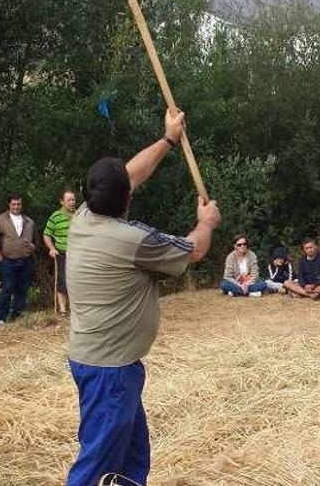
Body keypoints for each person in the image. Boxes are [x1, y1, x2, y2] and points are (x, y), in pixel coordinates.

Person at [65, 109, 221, 486]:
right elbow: (194, 251)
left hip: (109, 364)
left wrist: (168, 139)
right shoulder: (133, 241)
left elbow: (131, 174)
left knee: (132, 459)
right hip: (110, 372)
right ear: (127, 199)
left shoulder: (84, 217)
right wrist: (206, 223)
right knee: (97, 464)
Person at [0, 194, 36, 324]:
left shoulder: (29, 221)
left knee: (22, 289)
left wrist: (32, 248)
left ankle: (17, 316)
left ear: (21, 205)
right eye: (14, 204)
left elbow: (36, 241)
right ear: (9, 205)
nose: (16, 207)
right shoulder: (0, 220)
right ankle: (0, 318)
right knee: (7, 289)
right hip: (8, 261)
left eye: (19, 204)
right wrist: (0, 259)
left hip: (26, 261)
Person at [43, 190, 76, 315]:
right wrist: (52, 248)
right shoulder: (55, 216)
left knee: (76, 281)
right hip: (62, 253)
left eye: (73, 199)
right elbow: (47, 235)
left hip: (78, 254)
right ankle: (62, 309)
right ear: (62, 202)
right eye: (69, 200)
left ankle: (74, 309)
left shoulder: (79, 215)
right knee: (63, 281)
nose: (72, 202)